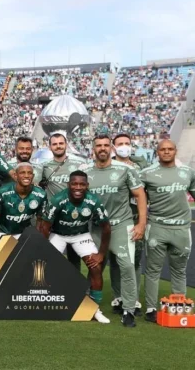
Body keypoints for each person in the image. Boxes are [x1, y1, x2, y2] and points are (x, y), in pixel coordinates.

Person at [86, 135, 147, 327]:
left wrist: (141, 224)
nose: (102, 148)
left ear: (111, 149)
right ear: (93, 149)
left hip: (122, 225)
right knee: (94, 268)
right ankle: (89, 306)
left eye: (106, 145)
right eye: (99, 146)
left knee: (127, 266)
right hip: (96, 227)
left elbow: (140, 195)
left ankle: (128, 310)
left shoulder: (125, 169)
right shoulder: (85, 171)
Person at [40, 170, 111, 324]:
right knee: (43, 266)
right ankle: (49, 302)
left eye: (82, 184)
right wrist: (43, 251)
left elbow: (106, 227)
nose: (78, 187)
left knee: (96, 267)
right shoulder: (58, 200)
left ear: (87, 186)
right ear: (68, 185)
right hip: (58, 235)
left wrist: (101, 253)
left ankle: (94, 309)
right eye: (74, 184)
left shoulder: (94, 201)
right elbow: (45, 227)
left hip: (81, 235)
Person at [140, 140, 195, 323]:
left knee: (179, 270)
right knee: (153, 270)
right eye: (163, 149)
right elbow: (138, 198)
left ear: (175, 151)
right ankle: (150, 309)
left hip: (181, 229)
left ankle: (179, 308)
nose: (166, 152)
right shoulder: (146, 174)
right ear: (157, 152)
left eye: (170, 149)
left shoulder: (188, 172)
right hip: (157, 228)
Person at [109, 133, 147, 315]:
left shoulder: (141, 167)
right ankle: (118, 296)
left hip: (134, 217)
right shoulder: (110, 166)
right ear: (113, 147)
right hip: (116, 218)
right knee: (115, 260)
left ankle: (133, 298)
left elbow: (144, 192)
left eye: (127, 143)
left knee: (135, 260)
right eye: (120, 144)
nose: (124, 146)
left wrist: (143, 220)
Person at [40, 132, 86, 269]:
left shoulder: (80, 164)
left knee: (74, 259)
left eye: (61, 143)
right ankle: (55, 288)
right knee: (52, 257)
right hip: (54, 219)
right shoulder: (44, 166)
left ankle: (76, 289)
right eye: (54, 144)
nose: (58, 146)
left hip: (75, 217)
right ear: (50, 147)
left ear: (66, 144)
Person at [0, 162, 46, 243]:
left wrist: (36, 237)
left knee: (30, 255)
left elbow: (40, 220)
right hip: (3, 233)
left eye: (29, 173)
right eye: (22, 173)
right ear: (15, 176)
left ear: (33, 176)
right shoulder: (2, 192)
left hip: (24, 233)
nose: (26, 176)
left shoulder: (41, 194)